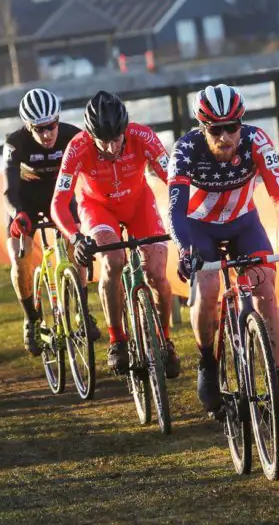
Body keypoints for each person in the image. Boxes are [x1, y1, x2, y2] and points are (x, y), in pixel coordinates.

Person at [166, 84, 279, 424]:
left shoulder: (257, 141)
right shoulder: (185, 149)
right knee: (205, 291)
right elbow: (174, 210)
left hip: (243, 224)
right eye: (215, 129)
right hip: (199, 227)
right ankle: (207, 360)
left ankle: (274, 393)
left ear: (241, 124)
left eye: (232, 126)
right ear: (203, 129)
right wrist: (185, 250)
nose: (225, 136)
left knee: (265, 292)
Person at [51, 90, 180, 377]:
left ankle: (166, 340)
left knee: (158, 272)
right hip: (98, 208)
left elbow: (173, 180)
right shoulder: (77, 148)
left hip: (138, 203)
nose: (110, 148)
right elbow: (58, 203)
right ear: (90, 135)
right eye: (103, 141)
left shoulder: (143, 137)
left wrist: (188, 217)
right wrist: (75, 237)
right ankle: (117, 339)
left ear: (125, 130)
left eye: (116, 139)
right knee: (112, 261)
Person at [4, 87, 99, 356]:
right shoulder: (15, 143)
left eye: (51, 126)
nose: (47, 134)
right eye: (39, 128)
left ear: (58, 120)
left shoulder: (73, 135)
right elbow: (8, 189)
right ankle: (31, 319)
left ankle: (82, 311)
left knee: (76, 248)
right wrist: (16, 214)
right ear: (28, 126)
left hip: (60, 197)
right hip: (25, 203)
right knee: (19, 258)